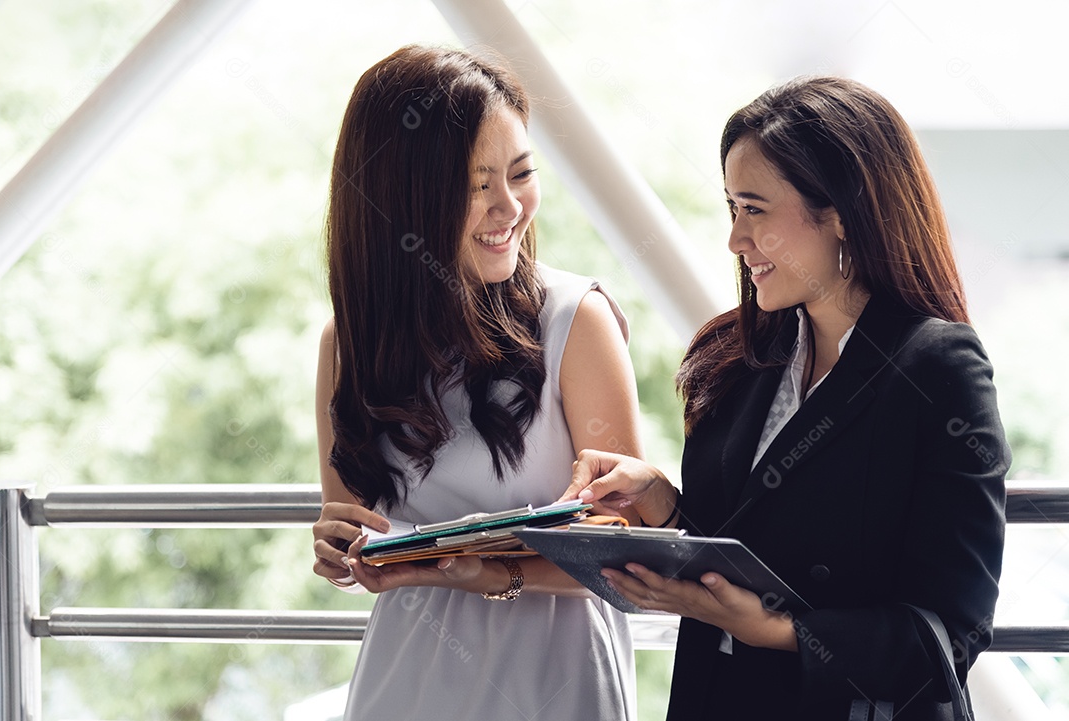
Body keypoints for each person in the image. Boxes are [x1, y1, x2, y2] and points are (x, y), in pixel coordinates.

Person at [563, 76, 1009, 720]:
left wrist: (777, 630)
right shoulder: (742, 360)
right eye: (731, 207)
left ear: (840, 214)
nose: (735, 240)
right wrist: (663, 509)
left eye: (755, 209)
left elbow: (950, 634)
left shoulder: (936, 365)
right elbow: (746, 550)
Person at [310, 45, 642, 720]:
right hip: (408, 681)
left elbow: (627, 547)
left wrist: (497, 574)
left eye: (521, 174)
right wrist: (342, 551)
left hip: (557, 679)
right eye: (475, 185)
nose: (510, 207)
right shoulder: (348, 344)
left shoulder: (576, 320)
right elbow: (357, 545)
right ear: (403, 202)